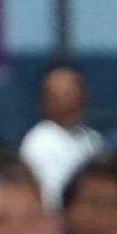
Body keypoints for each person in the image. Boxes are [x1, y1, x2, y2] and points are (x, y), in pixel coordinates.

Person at [15, 61, 100, 200]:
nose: (75, 94)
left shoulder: (92, 138)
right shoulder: (39, 142)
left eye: (77, 87)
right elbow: (51, 197)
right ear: (44, 100)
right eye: (65, 91)